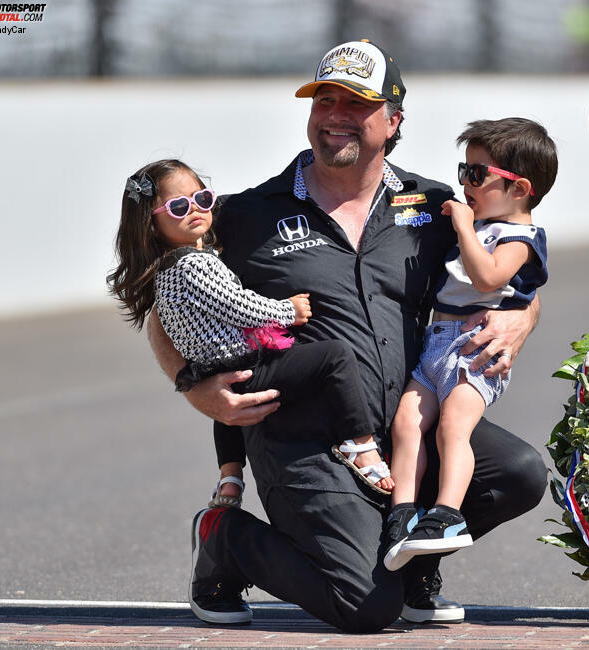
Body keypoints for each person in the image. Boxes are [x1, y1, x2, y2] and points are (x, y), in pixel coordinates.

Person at [145, 39, 547, 632]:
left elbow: (513, 268)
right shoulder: (246, 215)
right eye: (324, 100)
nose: (336, 115)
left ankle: (411, 565)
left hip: (407, 421)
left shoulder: (436, 206)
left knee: (517, 472)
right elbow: (161, 306)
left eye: (356, 103)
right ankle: (226, 541)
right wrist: (192, 386)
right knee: (363, 607)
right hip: (303, 440)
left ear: (393, 118)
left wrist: (523, 317)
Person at [106, 160, 393, 516]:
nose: (194, 209)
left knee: (226, 417)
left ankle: (230, 475)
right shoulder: (194, 264)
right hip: (243, 366)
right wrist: (288, 310)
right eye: (178, 206)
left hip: (214, 371)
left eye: (203, 198)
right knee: (333, 356)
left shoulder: (167, 269)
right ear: (151, 222)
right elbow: (238, 305)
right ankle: (360, 443)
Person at [383, 118, 556, 572]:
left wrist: (463, 226)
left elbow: (489, 276)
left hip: (472, 351)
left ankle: (446, 514)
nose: (466, 183)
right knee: (406, 422)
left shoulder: (520, 238)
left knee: (452, 428)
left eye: (477, 175)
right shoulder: (484, 224)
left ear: (519, 188)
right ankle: (401, 513)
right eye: (464, 171)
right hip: (437, 345)